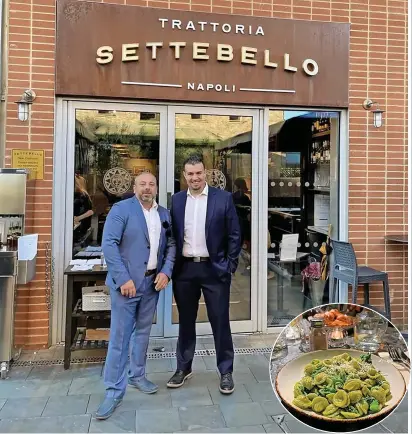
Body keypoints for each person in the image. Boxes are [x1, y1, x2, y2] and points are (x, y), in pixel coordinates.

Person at [96, 172, 176, 420]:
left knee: (143, 332)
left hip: (152, 284)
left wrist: (166, 271)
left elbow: (171, 244)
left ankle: (137, 375)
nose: (147, 188)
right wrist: (123, 279)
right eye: (142, 184)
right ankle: (113, 390)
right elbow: (108, 244)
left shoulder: (163, 213)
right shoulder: (121, 209)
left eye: (151, 184)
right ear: (134, 187)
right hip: (126, 286)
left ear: (156, 188)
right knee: (120, 338)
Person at [167, 154, 241, 395]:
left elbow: (234, 234)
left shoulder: (223, 198)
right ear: (184, 175)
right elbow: (172, 236)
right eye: (190, 174)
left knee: (220, 321)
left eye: (198, 173)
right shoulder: (177, 201)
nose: (195, 178)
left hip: (214, 268)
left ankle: (226, 371)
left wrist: (229, 265)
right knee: (185, 321)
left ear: (205, 173)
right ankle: (183, 367)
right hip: (185, 269)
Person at [73, 174, 94, 244]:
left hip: (79, 228)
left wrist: (78, 218)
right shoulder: (82, 194)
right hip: (79, 227)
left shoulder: (81, 195)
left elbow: (90, 211)